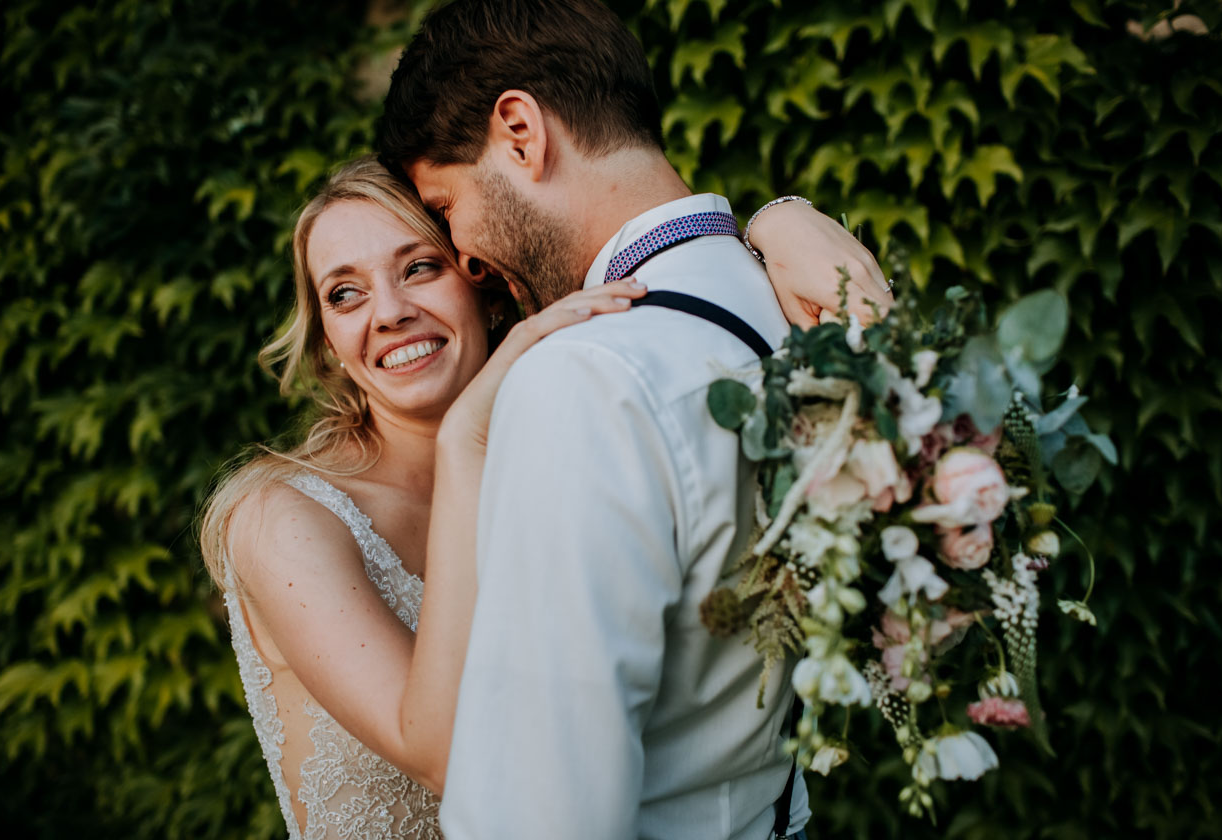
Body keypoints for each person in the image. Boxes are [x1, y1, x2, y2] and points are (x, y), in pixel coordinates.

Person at [200, 157, 885, 838]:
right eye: (344, 294)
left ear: (484, 286)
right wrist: (462, 439)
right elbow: (441, 755)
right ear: (327, 343)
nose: (390, 313)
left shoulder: (565, 441)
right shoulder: (282, 519)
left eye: (419, 268)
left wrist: (777, 222)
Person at [375, 1, 890, 838]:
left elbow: (543, 813)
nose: (464, 257)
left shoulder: (583, 381)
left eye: (447, 204)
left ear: (519, 130)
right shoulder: (801, 308)